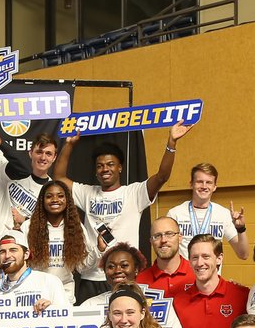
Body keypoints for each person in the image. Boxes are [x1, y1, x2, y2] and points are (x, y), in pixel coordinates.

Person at [53, 122, 192, 300]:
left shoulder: (133, 193)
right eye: (100, 166)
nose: (105, 169)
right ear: (95, 171)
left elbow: (162, 176)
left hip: (125, 276)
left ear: (120, 167)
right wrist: (69, 145)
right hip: (92, 277)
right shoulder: (87, 193)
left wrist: (171, 143)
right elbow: (58, 177)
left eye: (110, 164)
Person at [22, 180, 96, 306]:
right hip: (35, 293)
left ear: (67, 200)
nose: (55, 199)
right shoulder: (28, 227)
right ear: (42, 201)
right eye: (49, 196)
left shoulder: (77, 227)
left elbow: (82, 267)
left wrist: (98, 250)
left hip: (65, 293)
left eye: (60, 196)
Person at [165, 162, 248, 258]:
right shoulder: (175, 214)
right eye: (199, 181)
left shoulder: (223, 214)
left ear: (214, 187)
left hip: (211, 273)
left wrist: (241, 229)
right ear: (191, 184)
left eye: (209, 182)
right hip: (184, 273)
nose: (204, 186)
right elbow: (166, 253)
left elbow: (243, 255)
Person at [0, 230, 67, 308]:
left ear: (26, 254)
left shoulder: (49, 281)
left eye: (13, 250)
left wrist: (51, 309)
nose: (7, 256)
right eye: (2, 252)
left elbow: (66, 317)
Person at [136, 217, 196, 297]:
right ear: (151, 241)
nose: (163, 240)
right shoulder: (139, 282)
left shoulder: (198, 273)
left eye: (169, 234)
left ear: (180, 238)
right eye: (157, 236)